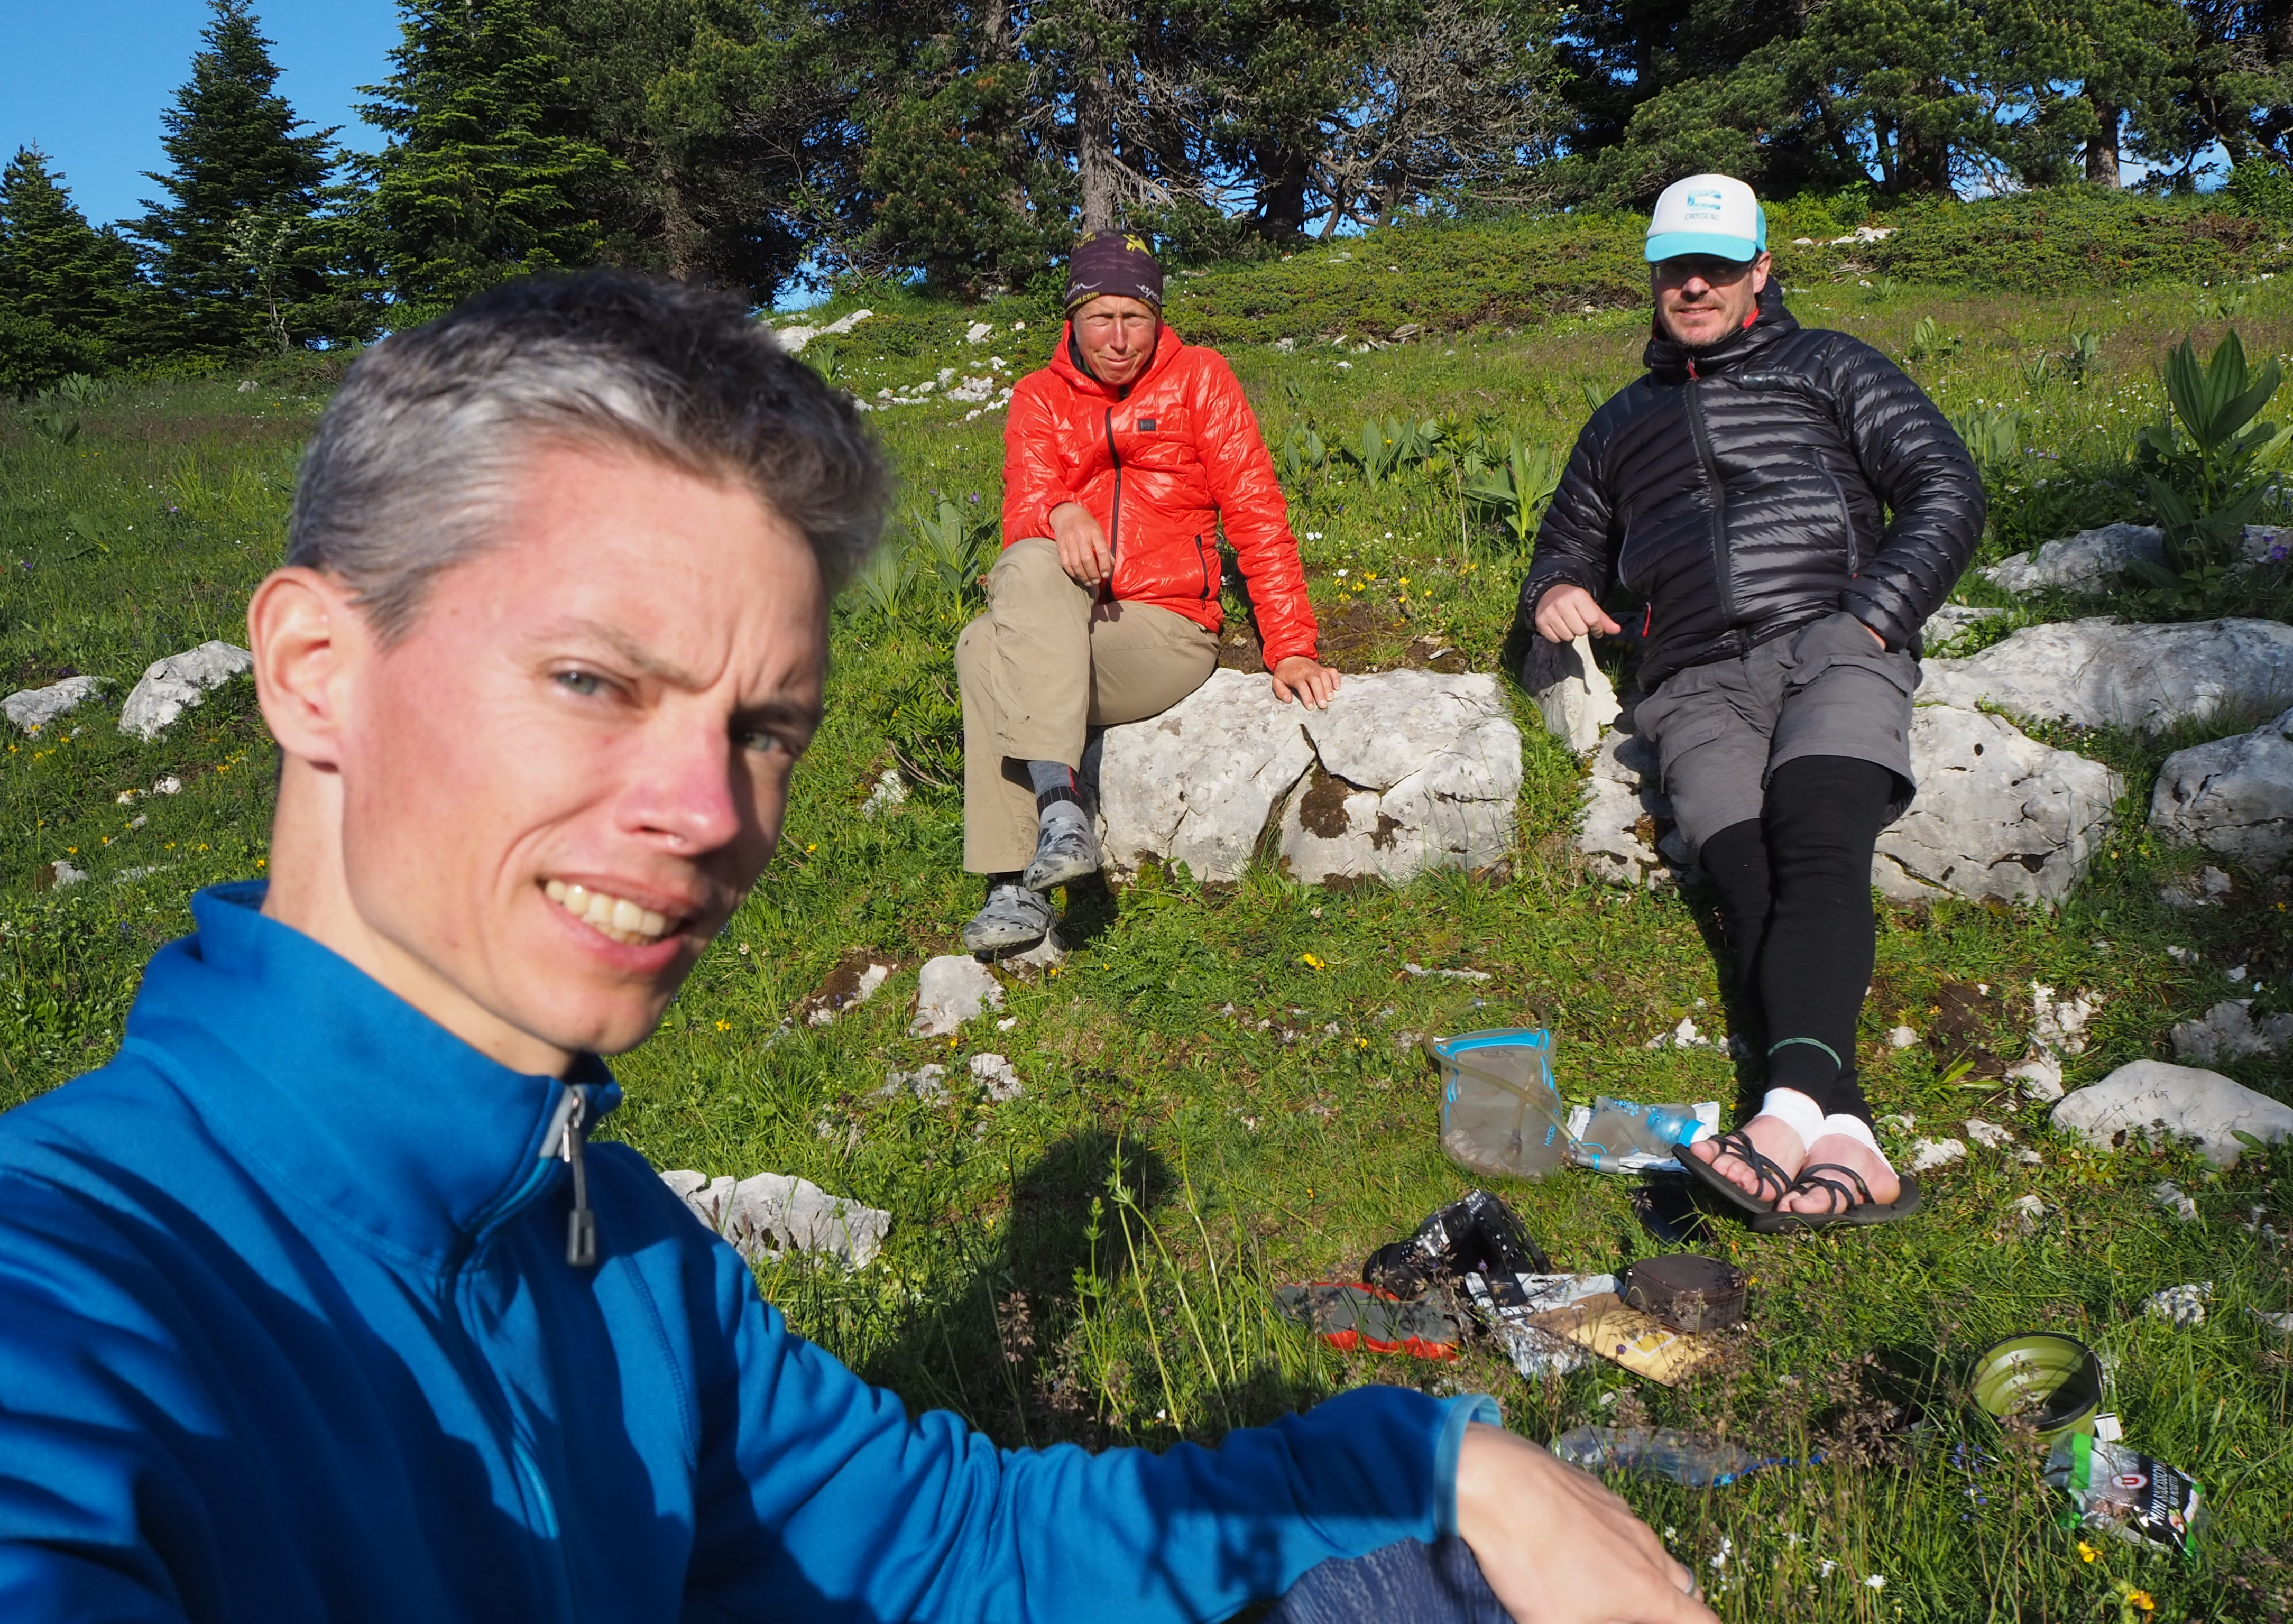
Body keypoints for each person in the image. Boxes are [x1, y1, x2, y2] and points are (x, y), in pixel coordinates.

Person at [0, 271, 1714, 1624]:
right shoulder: (76, 1296)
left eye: (766, 729)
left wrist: (1430, 1462)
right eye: (593, 680)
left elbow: (964, 1545)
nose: (706, 809)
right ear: (314, 668)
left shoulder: (627, 1259)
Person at [1522, 174, 1984, 1229]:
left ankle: (1776, 1122)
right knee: (1752, 878)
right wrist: (1554, 592)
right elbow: (1564, 550)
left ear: (1761, 272)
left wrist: (1873, 615)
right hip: (1688, 682)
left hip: (1831, 644)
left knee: (1821, 841)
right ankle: (1850, 1140)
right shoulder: (1617, 425)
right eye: (1676, 267)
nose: (1695, 285)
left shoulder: (1832, 364)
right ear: (1651, 274)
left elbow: (1945, 484)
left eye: (1718, 268)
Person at [959, 230, 1340, 952]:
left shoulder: (1200, 377)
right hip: (1066, 623)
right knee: (995, 619)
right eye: (1102, 317)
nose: (1119, 337)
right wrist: (1060, 511)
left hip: (1163, 632)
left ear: (1158, 318)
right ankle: (1040, 851)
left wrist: (1291, 645)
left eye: (1136, 317)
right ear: (1072, 317)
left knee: (987, 649)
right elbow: (1023, 510)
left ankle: (1027, 858)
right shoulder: (1037, 398)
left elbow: (1255, 508)